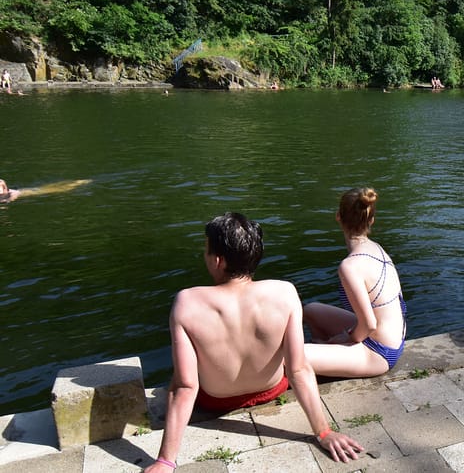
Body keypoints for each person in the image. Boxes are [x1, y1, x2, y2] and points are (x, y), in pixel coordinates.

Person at [145, 213, 363, 472]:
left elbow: (186, 387)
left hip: (215, 400)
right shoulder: (285, 293)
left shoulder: (187, 303)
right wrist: (324, 432)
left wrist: (165, 460)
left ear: (217, 260)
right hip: (272, 389)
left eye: (205, 250)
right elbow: (298, 369)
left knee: (176, 379)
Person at [303, 187, 406, 378]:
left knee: (291, 355)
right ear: (371, 220)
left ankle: (322, 358)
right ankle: (324, 362)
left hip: (378, 352)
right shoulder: (378, 249)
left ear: (338, 217)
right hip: (394, 338)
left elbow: (369, 325)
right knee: (311, 310)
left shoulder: (349, 266)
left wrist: (348, 337)